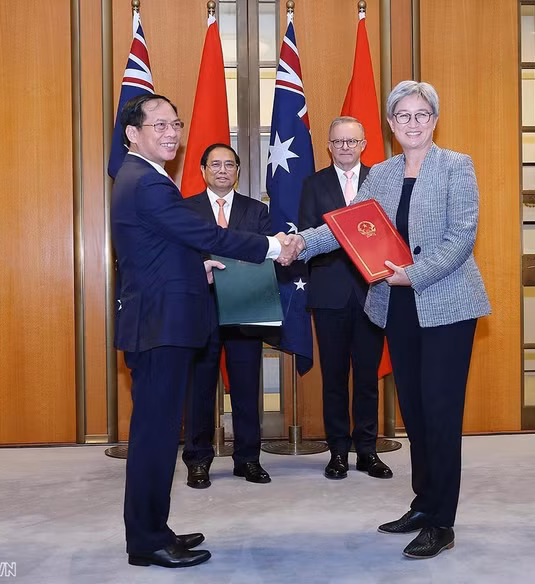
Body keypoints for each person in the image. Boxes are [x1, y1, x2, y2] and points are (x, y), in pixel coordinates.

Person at [282, 81, 491, 560]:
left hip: (445, 306)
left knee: (439, 412)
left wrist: (412, 275)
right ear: (391, 125)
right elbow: (346, 226)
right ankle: (423, 502)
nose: (413, 123)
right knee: (414, 411)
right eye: (403, 116)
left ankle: (442, 521)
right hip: (396, 306)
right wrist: (298, 244)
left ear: (434, 120)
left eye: (422, 114)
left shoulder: (456, 166)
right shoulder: (384, 173)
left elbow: (462, 237)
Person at [111, 94, 293, 569]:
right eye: (160, 125)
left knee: (158, 430)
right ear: (133, 133)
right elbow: (206, 235)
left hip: (162, 318)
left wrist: (199, 269)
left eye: (176, 123)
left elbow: (167, 250)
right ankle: (147, 541)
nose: (172, 132)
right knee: (154, 436)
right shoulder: (147, 182)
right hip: (160, 325)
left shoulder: (143, 177)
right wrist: (272, 246)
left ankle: (153, 528)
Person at [298, 117, 390, 481]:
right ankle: (337, 451)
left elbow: (388, 230)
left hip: (374, 292)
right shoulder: (313, 184)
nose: (346, 148)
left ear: (364, 144)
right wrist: (350, 247)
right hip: (329, 293)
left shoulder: (382, 179)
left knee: (367, 377)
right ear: (329, 146)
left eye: (352, 141)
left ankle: (367, 451)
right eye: (338, 142)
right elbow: (307, 236)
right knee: (334, 377)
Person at [182, 143, 273, 488]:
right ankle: (198, 460)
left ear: (237, 171)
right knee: (200, 389)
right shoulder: (185, 209)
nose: (222, 170)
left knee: (247, 388)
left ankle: (248, 459)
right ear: (202, 170)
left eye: (229, 165)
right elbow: (178, 254)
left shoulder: (256, 211)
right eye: (215, 164)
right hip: (200, 308)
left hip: (244, 309)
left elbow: (263, 254)